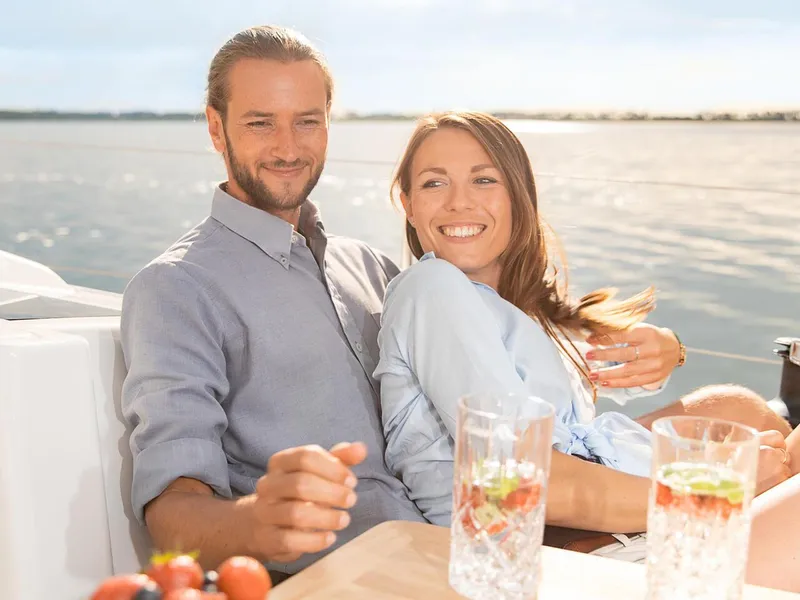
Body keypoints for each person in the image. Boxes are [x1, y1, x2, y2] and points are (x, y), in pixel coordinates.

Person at [120, 25, 684, 575]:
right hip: (358, 572)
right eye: (261, 123)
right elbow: (171, 517)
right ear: (216, 130)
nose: (288, 147)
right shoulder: (177, 287)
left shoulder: (368, 266)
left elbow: (503, 350)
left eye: (307, 122)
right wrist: (256, 522)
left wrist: (660, 351)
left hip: (476, 549)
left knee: (736, 417)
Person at [375, 110, 794, 559]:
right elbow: (520, 480)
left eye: (483, 180)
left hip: (585, 505)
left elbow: (587, 370)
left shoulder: (511, 306)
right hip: (543, 548)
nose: (459, 202)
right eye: (434, 183)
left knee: (739, 408)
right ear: (408, 203)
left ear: (519, 195)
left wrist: (670, 351)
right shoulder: (434, 289)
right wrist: (719, 491)